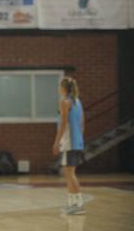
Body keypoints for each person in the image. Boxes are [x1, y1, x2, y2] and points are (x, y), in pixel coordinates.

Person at [52, 76, 86, 215]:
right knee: (69, 173)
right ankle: (72, 204)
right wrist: (79, 138)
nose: (59, 88)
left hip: (69, 142)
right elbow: (82, 123)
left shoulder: (65, 102)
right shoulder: (78, 102)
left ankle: (79, 205)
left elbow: (63, 124)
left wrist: (56, 142)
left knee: (70, 174)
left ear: (64, 88)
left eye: (60, 86)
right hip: (77, 141)